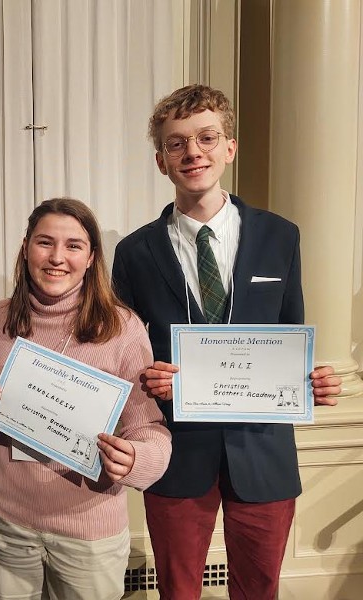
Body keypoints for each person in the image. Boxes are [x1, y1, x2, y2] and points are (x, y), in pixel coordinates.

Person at [111, 84, 341, 600]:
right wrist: (148, 380)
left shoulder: (281, 236)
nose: (193, 152)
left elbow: (289, 335)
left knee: (259, 588)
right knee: (179, 589)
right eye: (177, 144)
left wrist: (312, 382)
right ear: (160, 160)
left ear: (229, 148)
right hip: (177, 451)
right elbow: (124, 354)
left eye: (207, 138)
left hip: (263, 448)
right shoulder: (134, 252)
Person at [0, 198, 172, 600]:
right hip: (9, 522)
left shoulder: (122, 328)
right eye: (45, 242)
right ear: (25, 248)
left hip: (87, 530)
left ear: (92, 257)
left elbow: (149, 429)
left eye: (74, 245)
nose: (57, 257)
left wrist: (135, 459)